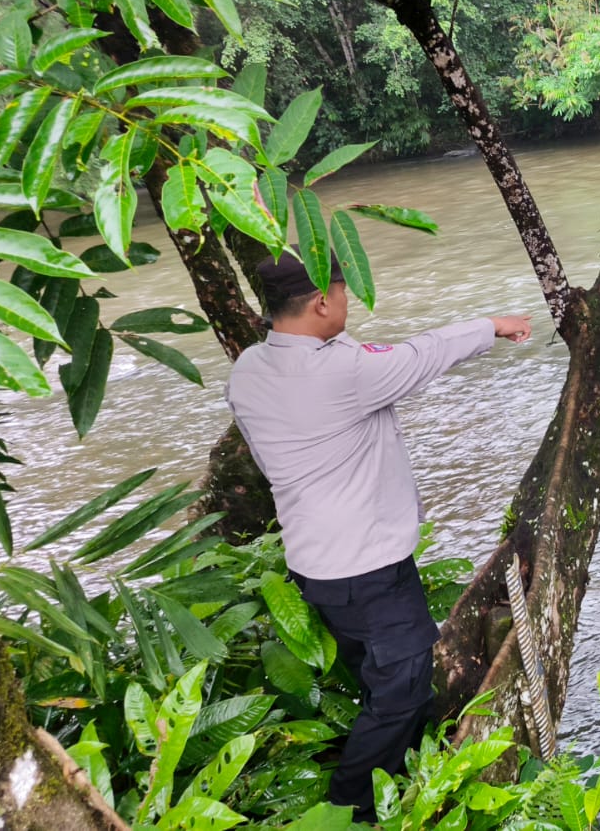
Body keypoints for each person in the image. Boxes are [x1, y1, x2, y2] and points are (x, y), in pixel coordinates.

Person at [225, 254, 531, 819]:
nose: (347, 303)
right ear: (321, 301)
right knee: (405, 684)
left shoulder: (249, 368)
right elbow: (425, 354)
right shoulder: (344, 372)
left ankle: (401, 764)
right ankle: (352, 808)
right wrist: (494, 324)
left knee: (379, 668)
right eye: (342, 293)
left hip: (316, 562)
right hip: (366, 569)